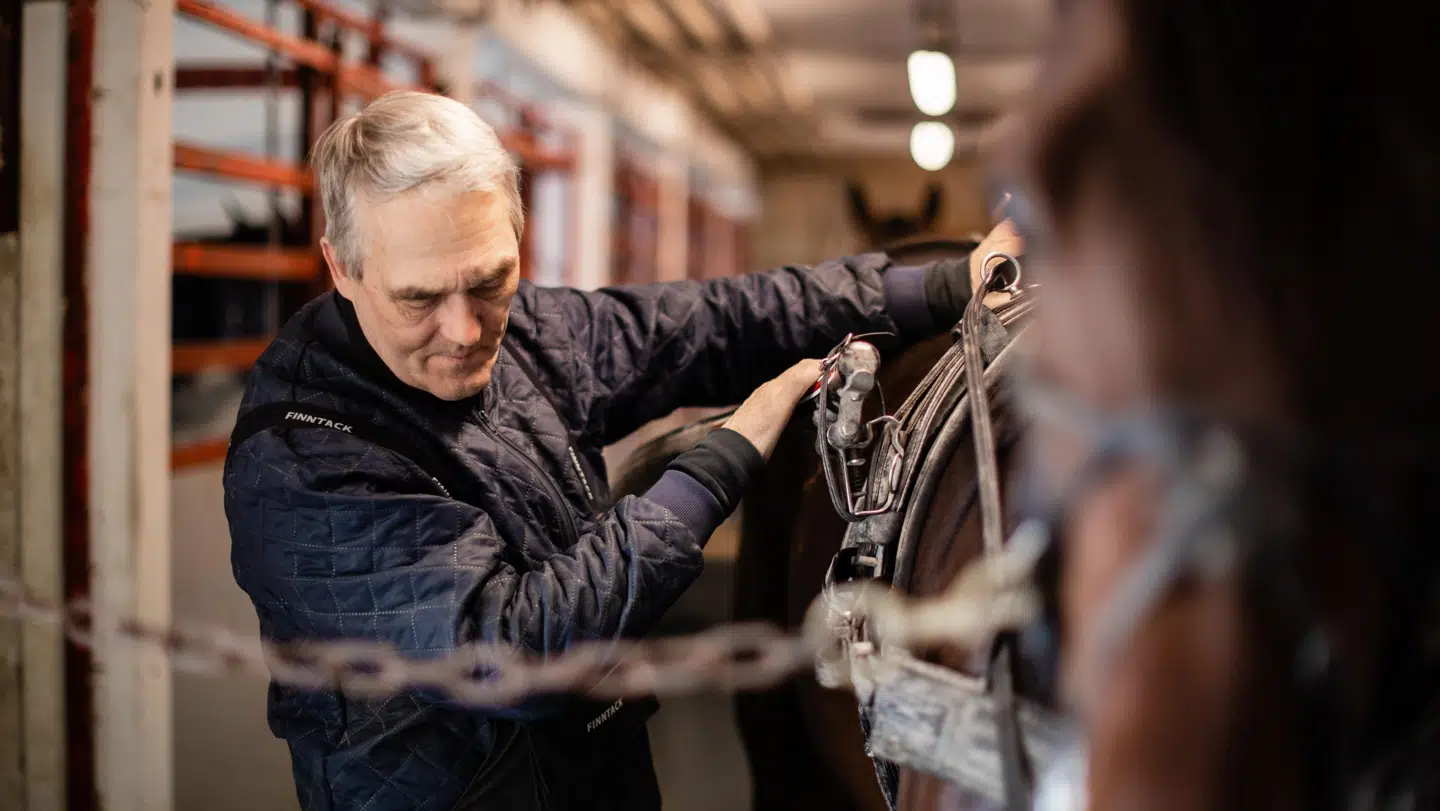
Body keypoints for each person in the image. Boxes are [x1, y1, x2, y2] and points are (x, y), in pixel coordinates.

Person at [223, 90, 1016, 811]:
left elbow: (715, 323)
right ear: (342, 268)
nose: (465, 331)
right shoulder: (303, 457)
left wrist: (944, 285)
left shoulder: (530, 334)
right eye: (419, 299)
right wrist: (720, 461)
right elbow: (512, 650)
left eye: (492, 279)